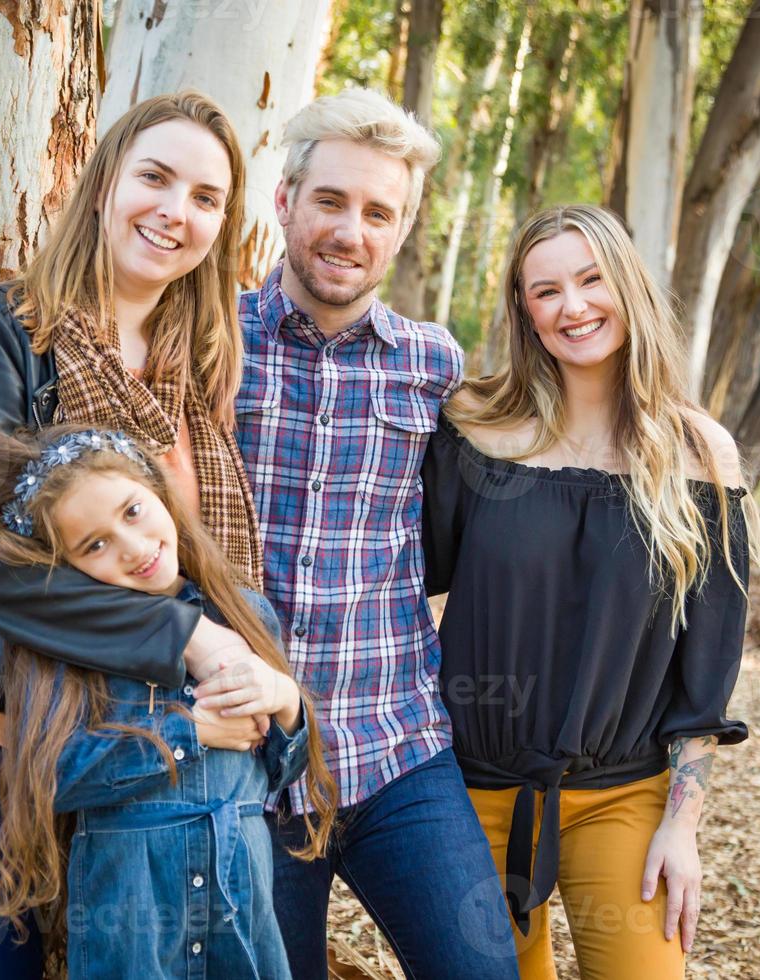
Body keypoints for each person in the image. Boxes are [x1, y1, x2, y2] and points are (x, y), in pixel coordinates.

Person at [0, 92, 278, 976]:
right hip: (11, 736)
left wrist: (257, 686)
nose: (175, 211)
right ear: (105, 181)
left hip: (181, 758)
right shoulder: (3, 330)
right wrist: (185, 636)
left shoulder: (200, 373)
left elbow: (214, 572)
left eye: (205, 197)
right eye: (155, 177)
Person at [225, 89, 520, 979]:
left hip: (398, 747)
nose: (351, 231)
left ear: (399, 232)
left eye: (377, 212)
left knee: (482, 969)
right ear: (285, 202)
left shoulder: (435, 365)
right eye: (331, 201)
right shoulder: (208, 339)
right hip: (251, 760)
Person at [422, 205, 759, 979]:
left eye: (590, 279)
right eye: (546, 292)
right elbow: (396, 579)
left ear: (627, 287)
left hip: (623, 795)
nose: (572, 307)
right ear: (525, 313)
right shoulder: (474, 431)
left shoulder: (697, 453)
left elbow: (704, 678)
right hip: (470, 794)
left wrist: (685, 826)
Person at [0, 424, 337, 977]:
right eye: (95, 545)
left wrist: (285, 703)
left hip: (241, 906)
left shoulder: (243, 616)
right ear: (68, 569)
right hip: (133, 924)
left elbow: (277, 774)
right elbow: (51, 776)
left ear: (159, 492)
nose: (133, 549)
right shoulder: (74, 652)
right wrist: (188, 735)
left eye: (132, 512)